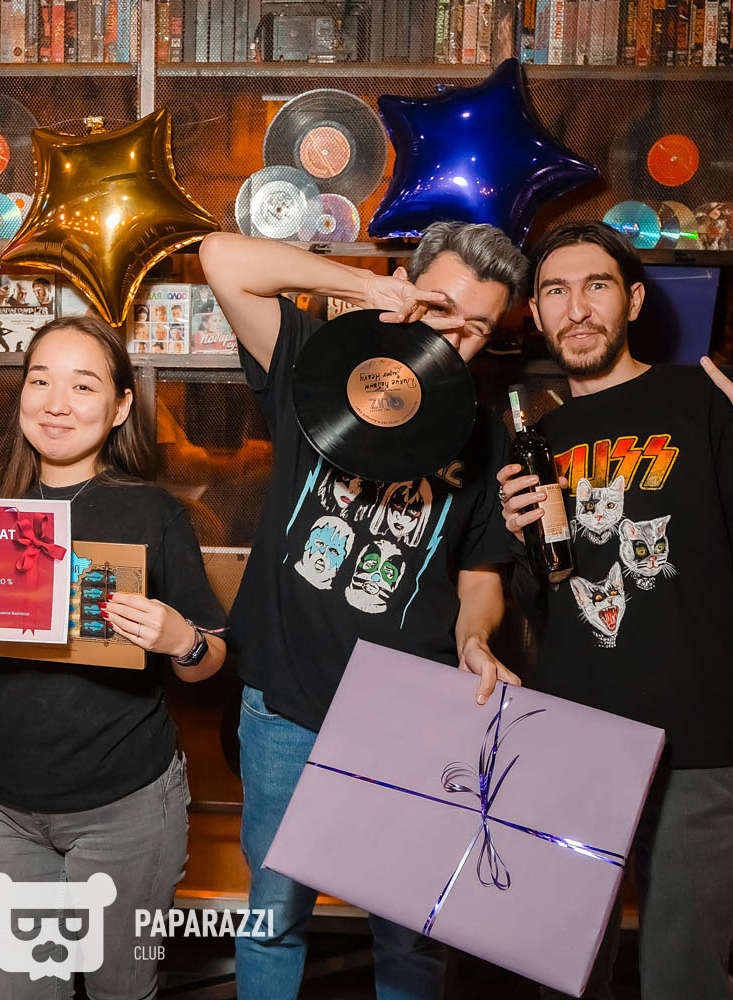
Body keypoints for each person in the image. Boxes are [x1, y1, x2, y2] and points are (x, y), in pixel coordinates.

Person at [198, 221, 530, 1000]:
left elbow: (481, 576)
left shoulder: (486, 439)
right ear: (407, 294)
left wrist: (477, 641)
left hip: (409, 722)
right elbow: (221, 258)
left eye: (478, 328)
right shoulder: (319, 368)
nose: (456, 339)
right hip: (285, 709)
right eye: (441, 310)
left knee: (409, 938)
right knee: (273, 920)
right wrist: (365, 287)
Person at [0, 314, 227, 999]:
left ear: (120, 407)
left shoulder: (153, 513)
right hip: (12, 812)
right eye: (40, 381)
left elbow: (210, 659)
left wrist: (184, 639)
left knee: (120, 991)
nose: (57, 404)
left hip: (127, 809)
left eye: (83, 386)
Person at [497, 221, 733, 999]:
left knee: (685, 983)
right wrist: (521, 543)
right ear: (536, 314)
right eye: (555, 291)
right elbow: (541, 605)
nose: (577, 308)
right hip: (572, 745)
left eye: (597, 286)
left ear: (634, 301)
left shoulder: (702, 401)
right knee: (563, 978)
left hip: (695, 748)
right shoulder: (538, 438)